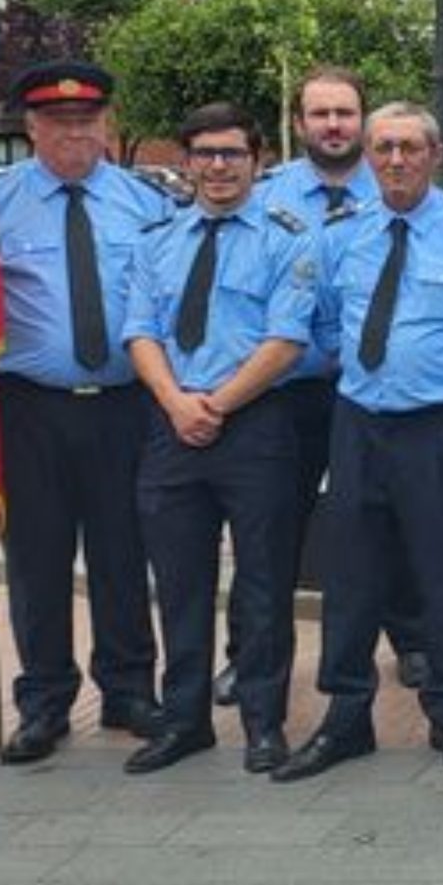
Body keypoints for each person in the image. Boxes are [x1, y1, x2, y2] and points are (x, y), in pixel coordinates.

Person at [273, 103, 443, 783]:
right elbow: (323, 323)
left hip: (438, 427)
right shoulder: (340, 235)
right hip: (358, 421)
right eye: (382, 148)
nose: (394, 161)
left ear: (434, 154)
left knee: (440, 574)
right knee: (350, 576)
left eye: (408, 148)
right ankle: (346, 716)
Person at [122, 103, 315, 775]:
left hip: (255, 425)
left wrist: (218, 406)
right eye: (204, 153)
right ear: (187, 161)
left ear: (257, 160)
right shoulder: (159, 242)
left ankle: (264, 724)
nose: (218, 166)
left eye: (232, 153)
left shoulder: (288, 237)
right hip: (174, 424)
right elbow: (140, 332)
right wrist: (178, 404)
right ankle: (185, 721)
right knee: (179, 583)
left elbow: (286, 340)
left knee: (262, 585)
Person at [0, 60, 172, 765]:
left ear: (106, 125)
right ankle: (43, 701)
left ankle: (128, 689)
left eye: (87, 122)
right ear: (32, 128)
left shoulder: (147, 204)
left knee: (123, 551)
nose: (75, 135)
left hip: (126, 406)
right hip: (30, 407)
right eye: (59, 123)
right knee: (37, 558)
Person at [250, 66, 421, 699]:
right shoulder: (264, 196)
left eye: (345, 113)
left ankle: (412, 642)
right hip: (283, 390)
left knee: (387, 521)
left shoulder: (399, 186)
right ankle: (255, 656)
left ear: (364, 120)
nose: (333, 125)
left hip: (369, 390)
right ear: (299, 124)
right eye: (320, 114)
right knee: (271, 527)